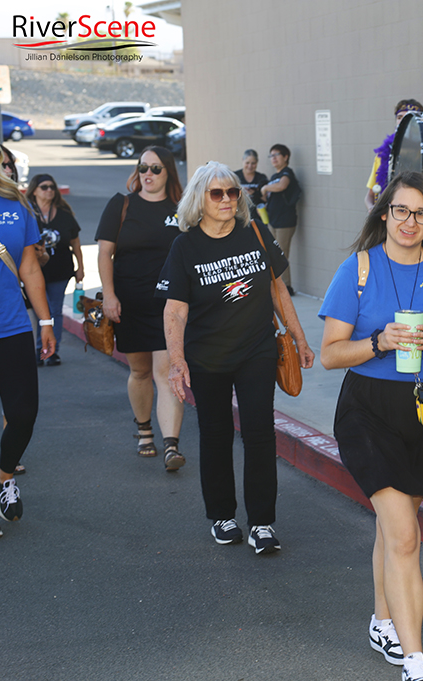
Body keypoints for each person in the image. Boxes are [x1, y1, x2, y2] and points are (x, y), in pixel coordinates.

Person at [320, 171, 423, 681]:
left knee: (395, 531)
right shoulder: (358, 269)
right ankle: (415, 663)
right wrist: (379, 343)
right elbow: (329, 355)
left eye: (421, 213)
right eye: (401, 211)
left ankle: (382, 619)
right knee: (406, 538)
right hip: (368, 408)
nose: (410, 222)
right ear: (384, 213)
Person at [160, 162, 315, 554]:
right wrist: (177, 361)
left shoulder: (255, 232)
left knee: (260, 434)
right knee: (215, 436)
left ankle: (261, 523)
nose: (228, 199)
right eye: (217, 193)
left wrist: (299, 339)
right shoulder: (185, 246)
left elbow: (278, 291)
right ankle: (223, 516)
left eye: (233, 192)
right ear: (200, 199)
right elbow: (175, 311)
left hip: (256, 352)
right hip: (207, 358)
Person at [0, 124, 55, 540]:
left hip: (9, 326)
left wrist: (44, 320)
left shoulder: (15, 204)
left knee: (23, 412)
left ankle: (3, 476)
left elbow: (28, 268)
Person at [96, 146, 186, 471]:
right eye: (143, 167)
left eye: (156, 169)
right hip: (130, 304)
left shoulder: (182, 209)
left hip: (168, 308)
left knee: (166, 372)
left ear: (168, 173)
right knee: (140, 371)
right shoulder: (121, 205)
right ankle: (144, 428)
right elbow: (105, 253)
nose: (148, 174)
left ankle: (171, 445)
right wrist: (109, 295)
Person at [27, 173, 84, 366]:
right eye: (44, 187)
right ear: (34, 190)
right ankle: (38, 350)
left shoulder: (64, 214)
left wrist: (80, 268)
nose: (49, 190)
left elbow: (76, 243)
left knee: (55, 310)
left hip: (60, 269)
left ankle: (51, 352)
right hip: (33, 271)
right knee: (38, 310)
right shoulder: (26, 213)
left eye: (52, 187)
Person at [365, 99, 423, 212]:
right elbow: (369, 196)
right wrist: (371, 209)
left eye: (408, 117)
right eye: (399, 117)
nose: (403, 121)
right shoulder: (383, 154)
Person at [260, 143, 301, 295]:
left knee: (281, 254)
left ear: (285, 157)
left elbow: (282, 186)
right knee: (273, 253)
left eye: (277, 155)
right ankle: (277, 285)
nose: (273, 158)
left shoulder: (287, 173)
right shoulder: (274, 177)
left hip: (285, 221)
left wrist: (265, 188)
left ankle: (287, 288)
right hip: (273, 220)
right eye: (271, 156)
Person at [234, 149, 269, 224]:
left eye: (253, 163)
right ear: (242, 160)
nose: (250, 166)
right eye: (247, 163)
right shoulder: (235, 176)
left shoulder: (261, 178)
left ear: (257, 162)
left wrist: (254, 194)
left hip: (258, 217)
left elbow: (266, 198)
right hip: (240, 216)